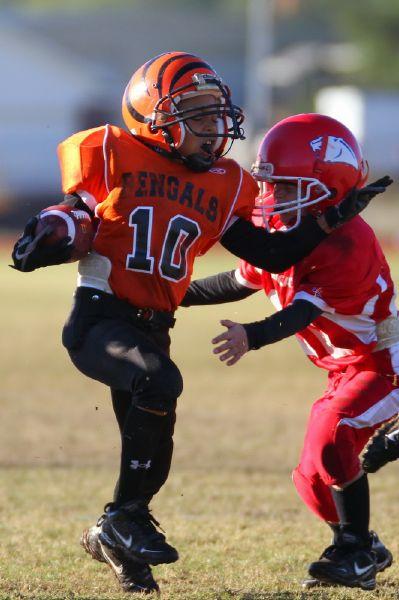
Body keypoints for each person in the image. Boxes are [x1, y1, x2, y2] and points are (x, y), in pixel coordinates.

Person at [11, 52, 390, 595]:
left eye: (217, 115)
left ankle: (117, 533)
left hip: (161, 326)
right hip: (102, 316)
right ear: (152, 115)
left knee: (151, 435)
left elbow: (272, 256)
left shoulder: (225, 183)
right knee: (161, 384)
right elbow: (77, 210)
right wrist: (52, 228)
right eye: (198, 114)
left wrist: (327, 222)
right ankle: (125, 519)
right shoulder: (113, 153)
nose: (214, 129)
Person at [181, 113, 397, 591]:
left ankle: (356, 552)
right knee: (310, 479)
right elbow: (238, 281)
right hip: (343, 368)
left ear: (331, 188)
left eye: (287, 187)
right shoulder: (295, 229)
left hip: (382, 364)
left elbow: (299, 313)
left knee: (333, 435)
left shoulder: (346, 243)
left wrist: (251, 336)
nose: (272, 198)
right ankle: (359, 544)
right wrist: (172, 292)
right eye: (271, 185)